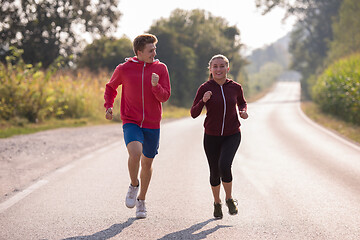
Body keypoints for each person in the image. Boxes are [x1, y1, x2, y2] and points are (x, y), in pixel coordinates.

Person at [104, 34, 171, 219]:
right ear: (139, 52)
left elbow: (165, 96)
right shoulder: (124, 69)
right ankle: (134, 185)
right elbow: (111, 88)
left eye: (155, 49)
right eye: (151, 50)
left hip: (152, 123)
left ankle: (141, 200)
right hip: (131, 120)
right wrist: (109, 106)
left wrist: (156, 86)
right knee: (135, 153)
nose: (154, 53)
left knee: (147, 163)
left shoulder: (161, 68)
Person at [190, 54, 248, 219]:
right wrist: (203, 100)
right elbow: (194, 113)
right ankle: (217, 202)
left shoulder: (235, 87)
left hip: (232, 134)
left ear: (227, 68)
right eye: (215, 66)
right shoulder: (205, 88)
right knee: (214, 172)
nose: (218, 69)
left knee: (224, 165)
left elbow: (242, 102)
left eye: (222, 66)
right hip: (211, 136)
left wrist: (243, 111)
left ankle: (229, 198)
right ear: (210, 69)